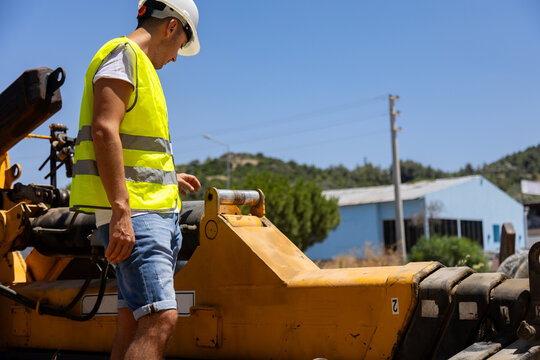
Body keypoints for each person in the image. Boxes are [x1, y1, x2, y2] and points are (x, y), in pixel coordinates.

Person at [69, 1, 201, 358]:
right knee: (161, 319)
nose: (175, 57)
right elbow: (104, 129)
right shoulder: (124, 54)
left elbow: (131, 149)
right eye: (180, 46)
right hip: (137, 217)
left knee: (132, 322)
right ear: (172, 27)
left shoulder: (140, 67)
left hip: (148, 211)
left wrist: (167, 179)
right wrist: (121, 212)